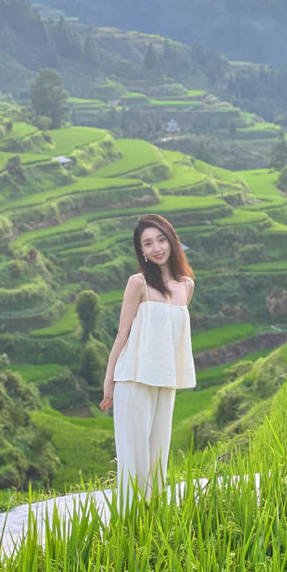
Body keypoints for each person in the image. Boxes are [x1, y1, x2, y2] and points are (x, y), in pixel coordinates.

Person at [99, 213, 196, 508]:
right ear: (141, 250)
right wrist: (109, 380)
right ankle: (127, 526)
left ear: (172, 240)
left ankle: (152, 523)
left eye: (162, 239)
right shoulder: (137, 283)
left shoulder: (186, 286)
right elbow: (122, 334)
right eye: (148, 243)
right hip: (134, 378)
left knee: (157, 458)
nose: (157, 248)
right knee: (133, 460)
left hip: (165, 381)